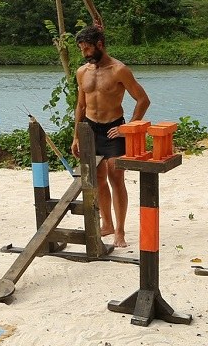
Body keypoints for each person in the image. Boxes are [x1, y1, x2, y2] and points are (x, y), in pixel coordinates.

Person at [71, 25, 150, 249]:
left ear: (100, 45)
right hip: (90, 129)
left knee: (116, 177)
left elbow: (143, 100)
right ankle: (107, 224)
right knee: (98, 179)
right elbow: (81, 105)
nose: (84, 53)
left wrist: (128, 127)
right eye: (81, 49)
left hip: (114, 128)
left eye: (87, 49)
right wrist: (76, 136)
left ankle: (120, 231)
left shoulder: (119, 70)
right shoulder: (82, 72)